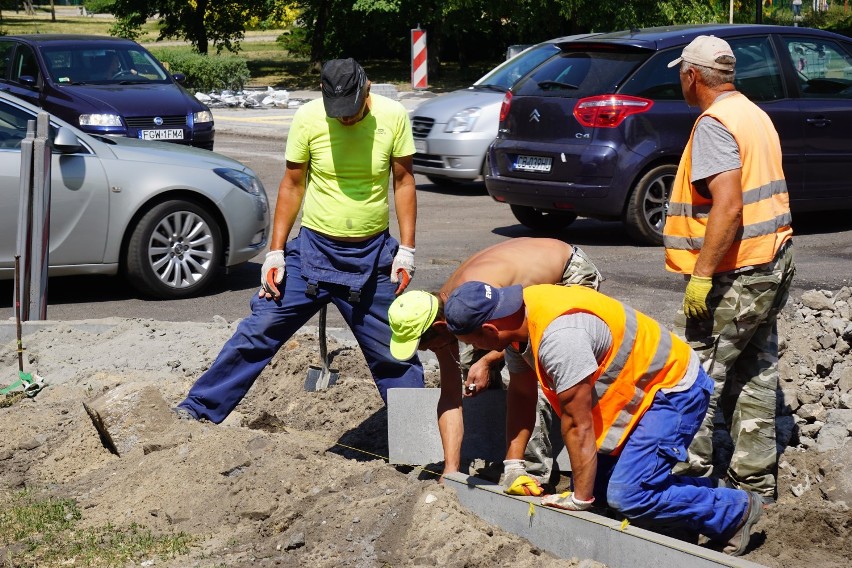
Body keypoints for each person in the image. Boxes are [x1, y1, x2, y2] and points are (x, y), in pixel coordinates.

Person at [176, 58, 423, 422]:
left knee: (395, 354)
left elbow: (403, 181)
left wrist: (407, 249)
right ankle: (197, 410)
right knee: (258, 330)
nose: (345, 119)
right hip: (312, 254)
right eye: (337, 112)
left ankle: (417, 442)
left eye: (351, 111)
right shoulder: (308, 118)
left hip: (371, 259)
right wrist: (275, 254)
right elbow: (293, 184)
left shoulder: (393, 116)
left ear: (366, 89)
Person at [443, 281, 764, 556]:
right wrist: (514, 465)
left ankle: (734, 511)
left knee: (627, 495)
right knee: (600, 484)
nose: (473, 350)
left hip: (673, 390)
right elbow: (523, 395)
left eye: (472, 343)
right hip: (636, 392)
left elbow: (578, 423)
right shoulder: (517, 321)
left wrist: (580, 500)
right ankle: (699, 492)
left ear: (489, 329)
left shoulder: (559, 338)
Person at [664, 36, 795, 503]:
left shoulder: (714, 124)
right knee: (755, 373)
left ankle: (687, 491)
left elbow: (729, 205)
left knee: (692, 378)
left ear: (692, 75)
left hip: (735, 272)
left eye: (681, 72)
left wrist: (702, 274)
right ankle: (755, 488)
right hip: (771, 260)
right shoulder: (752, 113)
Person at [388, 238, 602, 484]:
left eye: (427, 346)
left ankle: (530, 472)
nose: (430, 351)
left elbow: (514, 331)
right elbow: (449, 398)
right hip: (513, 298)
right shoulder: (443, 314)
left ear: (439, 327)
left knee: (539, 371)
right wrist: (451, 470)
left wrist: (488, 361)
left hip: (567, 272)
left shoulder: (476, 293)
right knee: (471, 368)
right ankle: (509, 447)